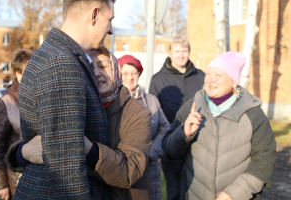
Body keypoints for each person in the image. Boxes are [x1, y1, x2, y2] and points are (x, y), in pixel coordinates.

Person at [5, 47, 153, 200]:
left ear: (115, 70)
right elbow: (38, 144)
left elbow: (130, 170)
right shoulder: (73, 105)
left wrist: (87, 149)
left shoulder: (137, 113)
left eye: (103, 66)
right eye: (89, 67)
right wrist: (22, 153)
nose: (96, 73)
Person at [12, 0, 115, 200]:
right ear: (94, 14)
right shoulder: (62, 62)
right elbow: (66, 164)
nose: (111, 29)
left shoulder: (56, 53)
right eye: (110, 20)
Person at [162, 51, 276, 200]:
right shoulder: (193, 106)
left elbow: (265, 161)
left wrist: (233, 194)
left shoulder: (253, 114)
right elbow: (168, 151)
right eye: (208, 73)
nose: (210, 80)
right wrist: (183, 134)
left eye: (218, 75)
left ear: (234, 82)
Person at [149, 36, 205, 200]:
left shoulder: (201, 76)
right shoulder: (158, 80)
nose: (181, 55)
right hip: (172, 145)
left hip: (199, 145)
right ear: (170, 53)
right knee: (174, 193)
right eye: (177, 51)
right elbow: (154, 115)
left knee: (197, 193)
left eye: (184, 51)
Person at [118, 54, 170, 200]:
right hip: (121, 167)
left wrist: (151, 152)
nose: (130, 77)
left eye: (134, 73)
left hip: (149, 166)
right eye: (125, 73)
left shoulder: (151, 100)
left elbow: (164, 128)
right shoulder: (112, 101)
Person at [0, 49, 32, 200]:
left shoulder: (40, 98)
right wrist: (1, 184)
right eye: (29, 71)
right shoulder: (5, 103)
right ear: (18, 74)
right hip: (17, 180)